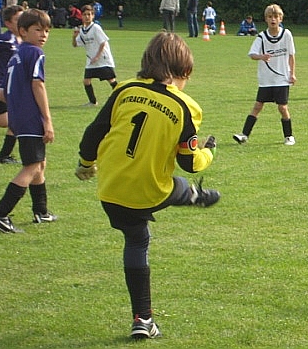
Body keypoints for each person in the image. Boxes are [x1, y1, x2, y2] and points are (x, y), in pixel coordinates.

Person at [76, 31, 221, 338]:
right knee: (173, 188)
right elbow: (189, 163)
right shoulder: (185, 106)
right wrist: (209, 152)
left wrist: (86, 164)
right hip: (149, 191)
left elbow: (94, 133)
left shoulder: (125, 90)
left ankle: (143, 320)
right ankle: (192, 195)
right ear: (184, 71)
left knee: (136, 238)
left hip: (110, 189)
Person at [0, 9, 57, 233]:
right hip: (30, 118)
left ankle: (41, 211)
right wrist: (47, 120)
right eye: (38, 30)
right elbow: (37, 85)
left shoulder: (17, 54)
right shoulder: (35, 53)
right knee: (32, 166)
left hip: (19, 118)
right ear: (23, 31)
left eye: (47, 31)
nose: (43, 35)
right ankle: (1, 213)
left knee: (39, 164)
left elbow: (5, 91)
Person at [233, 4, 296, 146]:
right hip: (266, 79)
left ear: (280, 19)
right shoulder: (262, 37)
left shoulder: (286, 34)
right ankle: (244, 135)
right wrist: (261, 56)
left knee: (282, 108)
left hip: (281, 79)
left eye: (276, 17)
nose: (273, 19)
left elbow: (291, 55)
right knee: (257, 106)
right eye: (270, 17)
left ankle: (289, 136)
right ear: (266, 19)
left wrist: (292, 74)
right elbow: (252, 54)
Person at [72, 4, 117, 106]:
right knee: (86, 81)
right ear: (81, 16)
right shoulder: (82, 30)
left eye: (89, 14)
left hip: (103, 59)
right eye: (85, 14)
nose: (87, 17)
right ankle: (93, 102)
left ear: (93, 16)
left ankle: (121, 97)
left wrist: (97, 56)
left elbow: (103, 42)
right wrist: (74, 37)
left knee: (111, 80)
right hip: (91, 59)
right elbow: (75, 45)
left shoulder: (96, 27)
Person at [0, 5, 24, 164]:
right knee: (16, 119)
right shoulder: (4, 40)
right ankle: (3, 156)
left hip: (10, 88)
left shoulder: (22, 42)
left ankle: (4, 156)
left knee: (12, 121)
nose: (22, 22)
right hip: (1, 88)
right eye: (18, 19)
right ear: (8, 23)